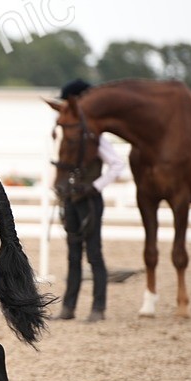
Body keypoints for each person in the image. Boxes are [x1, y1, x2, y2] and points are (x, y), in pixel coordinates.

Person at [56, 78, 126, 323]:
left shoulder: (96, 137)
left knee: (94, 254)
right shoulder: (69, 133)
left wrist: (96, 186)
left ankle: (98, 307)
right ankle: (68, 307)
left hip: (90, 200)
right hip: (71, 198)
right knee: (73, 255)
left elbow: (117, 164)